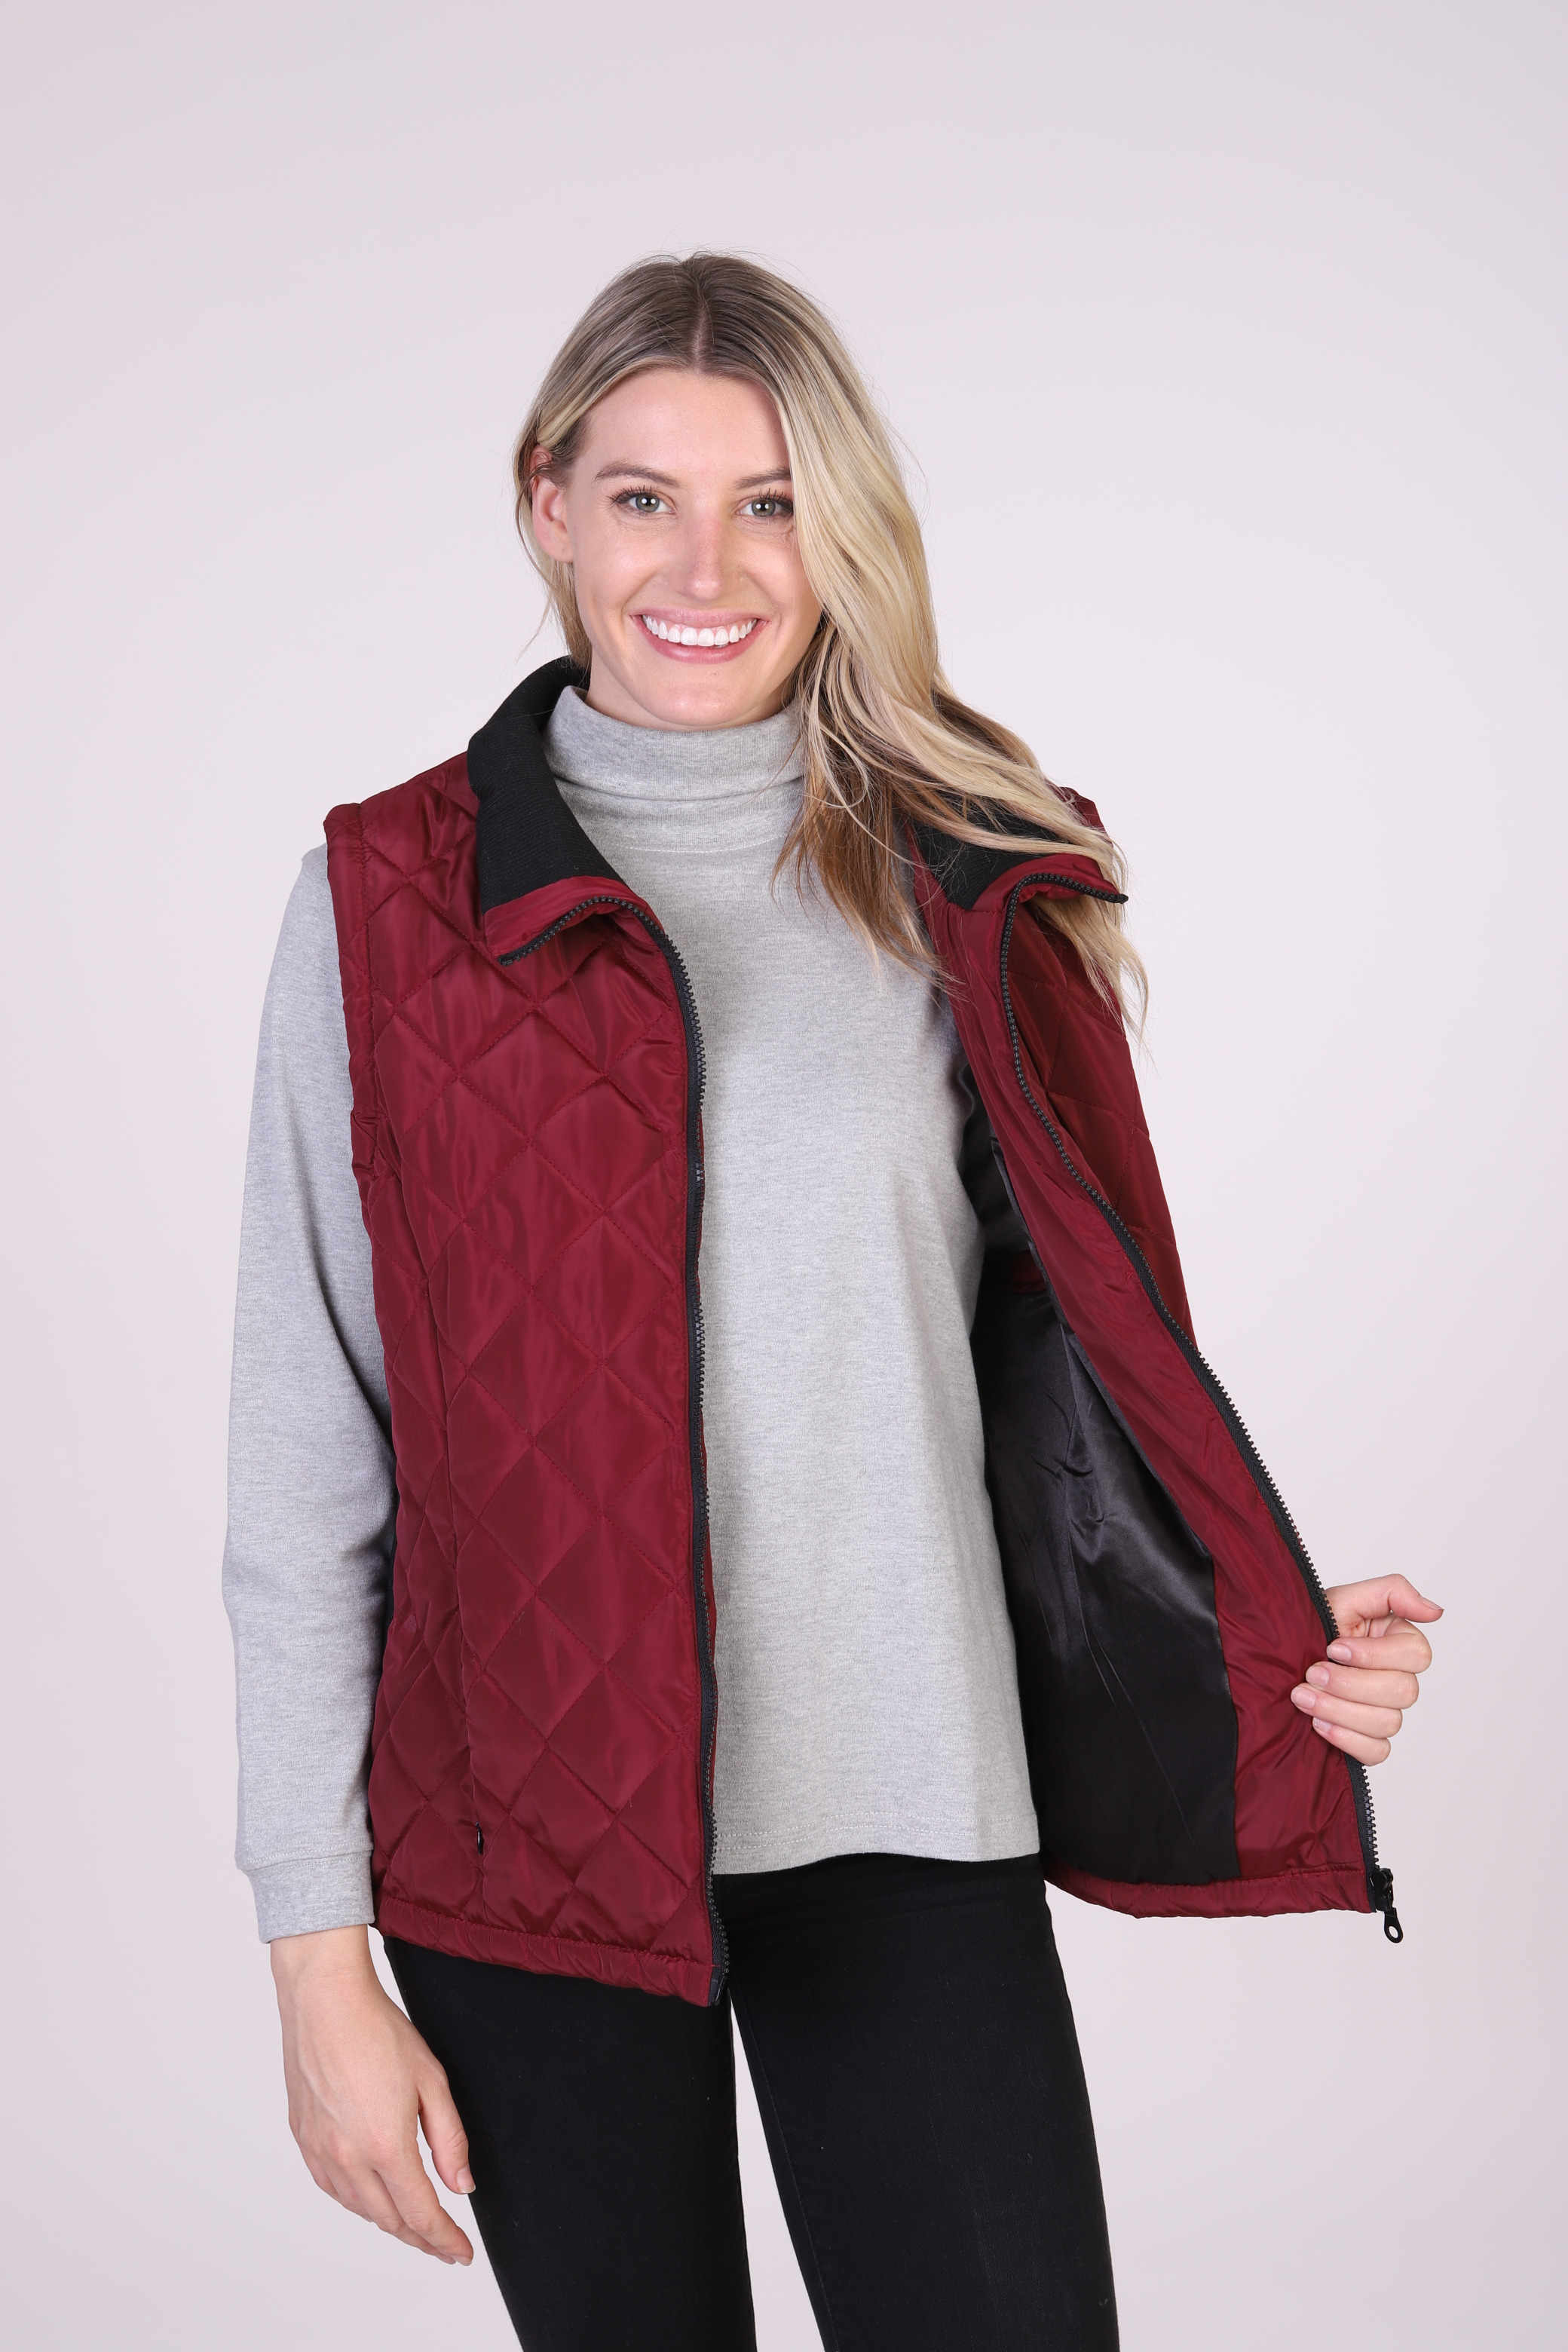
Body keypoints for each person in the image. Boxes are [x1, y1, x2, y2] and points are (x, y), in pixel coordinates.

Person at [223, 252, 1441, 2352]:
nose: (706, 567)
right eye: (644, 498)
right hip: (530, 1837)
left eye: (771, 503)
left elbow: (1074, 1367)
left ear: (842, 529)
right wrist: (314, 1957)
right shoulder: (385, 901)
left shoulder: (969, 871)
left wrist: (1255, 1626)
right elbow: (306, 1450)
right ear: (547, 504)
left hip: (908, 1800)